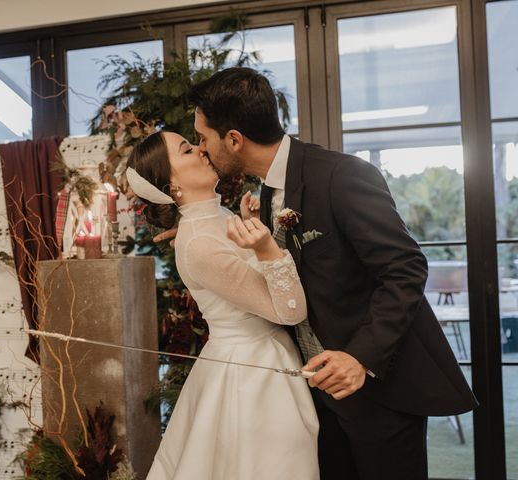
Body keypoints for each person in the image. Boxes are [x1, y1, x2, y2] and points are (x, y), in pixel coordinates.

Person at [155, 67, 478, 480]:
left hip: (377, 388)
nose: (202, 148)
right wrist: (196, 227)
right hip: (318, 392)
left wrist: (361, 358)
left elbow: (405, 268)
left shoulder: (341, 175)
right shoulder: (270, 191)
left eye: (203, 137)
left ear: (234, 139)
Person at [126, 131, 320, 480]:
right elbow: (288, 311)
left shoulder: (214, 218)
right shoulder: (198, 241)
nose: (201, 149)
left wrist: (251, 230)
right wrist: (265, 249)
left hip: (259, 354)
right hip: (252, 375)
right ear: (171, 188)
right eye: (186, 149)